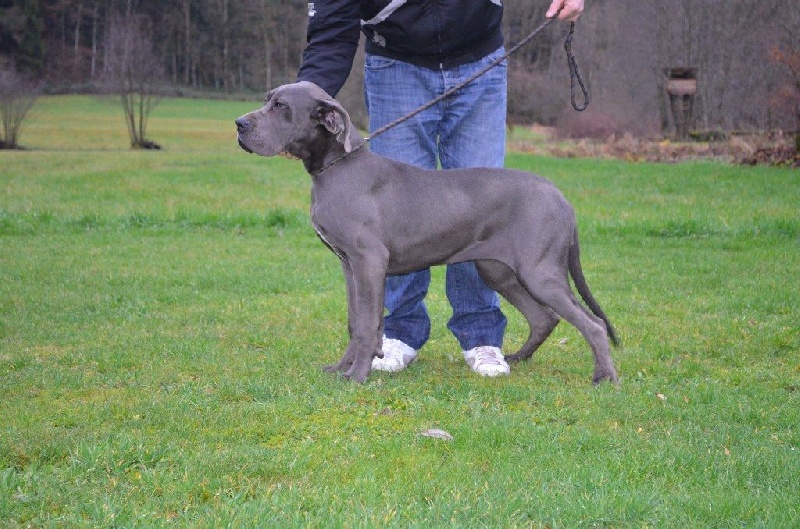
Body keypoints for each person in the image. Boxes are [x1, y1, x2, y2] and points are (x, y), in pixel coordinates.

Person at [297, 0, 585, 376]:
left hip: (480, 53)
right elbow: (330, 30)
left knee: (483, 213)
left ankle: (481, 335)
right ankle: (396, 334)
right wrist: (303, 117)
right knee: (391, 218)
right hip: (395, 62)